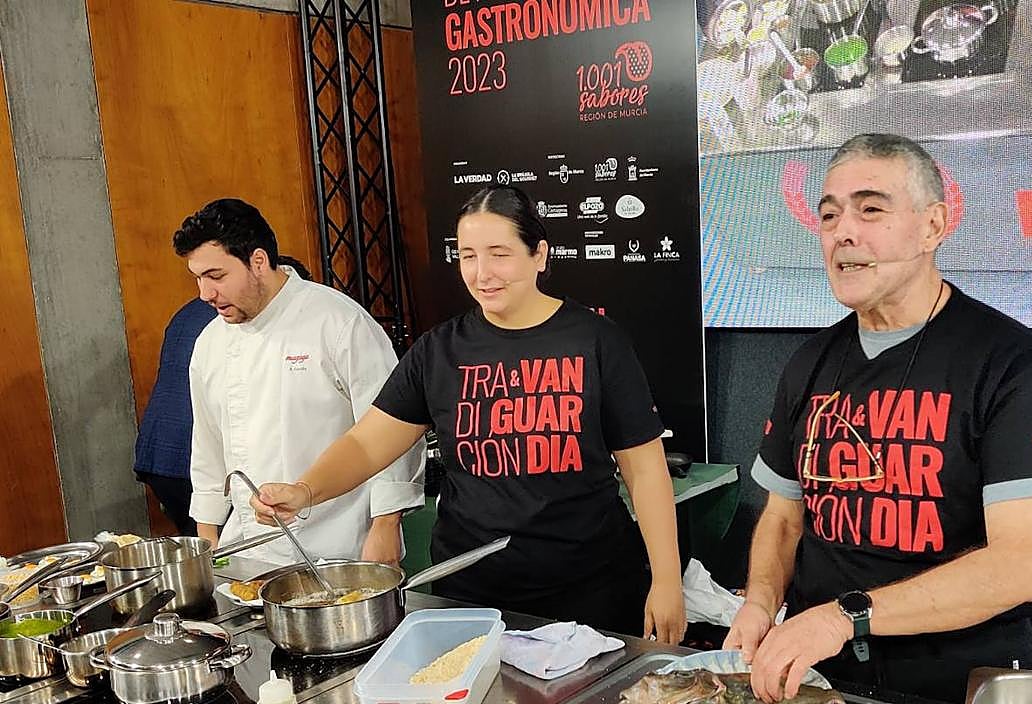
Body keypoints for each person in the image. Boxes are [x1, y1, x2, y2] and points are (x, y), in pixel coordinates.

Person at [249, 186, 687, 643]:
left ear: (539, 255)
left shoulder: (596, 341)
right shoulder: (439, 351)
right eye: (468, 256)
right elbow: (367, 442)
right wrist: (306, 490)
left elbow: (645, 469)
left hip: (590, 587)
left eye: (499, 254)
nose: (482, 274)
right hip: (472, 590)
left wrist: (667, 579)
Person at [724, 134, 1032, 704]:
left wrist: (843, 617)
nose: (843, 232)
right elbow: (783, 519)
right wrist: (760, 600)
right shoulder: (810, 362)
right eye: (829, 214)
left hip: (958, 686)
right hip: (824, 682)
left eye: (871, 210)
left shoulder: (1006, 357)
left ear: (933, 226)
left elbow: (1023, 565)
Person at [176, 198, 424, 565]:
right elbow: (208, 448)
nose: (205, 294)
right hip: (248, 549)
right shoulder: (210, 342)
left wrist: (386, 525)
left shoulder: (338, 322)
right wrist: (207, 541)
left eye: (216, 277)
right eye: (198, 278)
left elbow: (393, 430)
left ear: (258, 261)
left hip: (341, 546)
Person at [134, 297, 217, 535]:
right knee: (222, 555)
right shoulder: (233, 316)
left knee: (199, 546)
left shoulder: (188, 312)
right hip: (191, 452)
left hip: (158, 449)